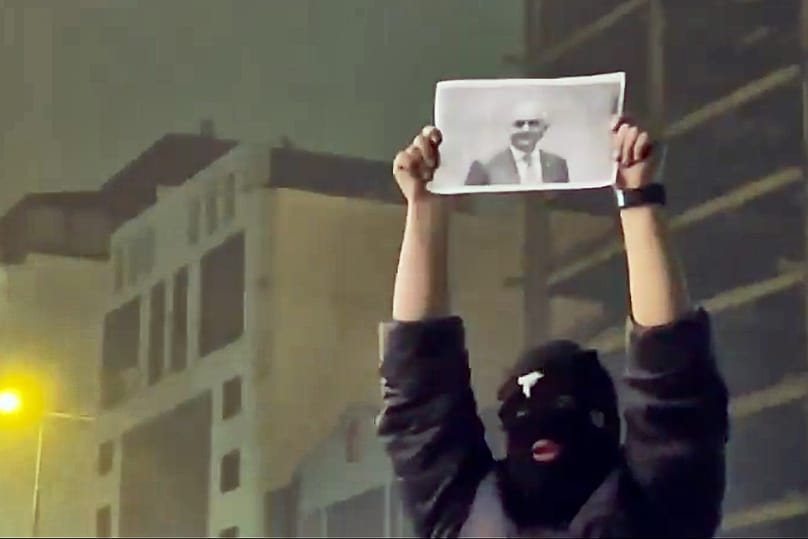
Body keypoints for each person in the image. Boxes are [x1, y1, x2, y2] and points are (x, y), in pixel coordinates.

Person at [377, 117, 729, 537]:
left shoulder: (652, 512)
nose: (536, 427)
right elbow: (673, 393)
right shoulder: (472, 514)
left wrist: (639, 197)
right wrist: (424, 206)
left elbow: (672, 386)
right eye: (519, 413)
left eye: (561, 406)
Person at [465, 101, 569, 186]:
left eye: (533, 123)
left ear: (544, 128)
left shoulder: (557, 164)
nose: (526, 130)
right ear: (509, 129)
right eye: (519, 124)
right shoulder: (485, 166)